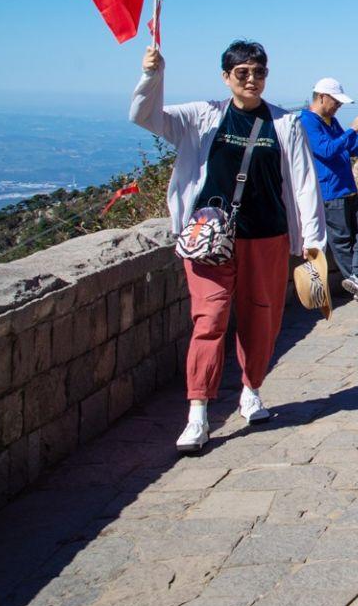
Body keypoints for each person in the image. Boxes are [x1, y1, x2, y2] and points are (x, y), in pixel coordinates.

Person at [131, 41, 327, 454]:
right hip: (209, 238)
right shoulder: (203, 116)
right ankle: (198, 412)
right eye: (242, 73)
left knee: (263, 319)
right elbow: (145, 116)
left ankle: (251, 390)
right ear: (226, 77)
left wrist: (312, 242)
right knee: (210, 318)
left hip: (267, 236)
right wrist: (153, 74)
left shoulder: (284, 124)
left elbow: (304, 183)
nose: (251, 79)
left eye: (258, 72)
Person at [300, 78, 358, 302]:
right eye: (336, 101)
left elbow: (351, 150)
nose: (339, 106)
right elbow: (326, 150)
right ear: (321, 97)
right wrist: (351, 129)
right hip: (330, 191)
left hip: (348, 189)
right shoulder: (307, 121)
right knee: (341, 240)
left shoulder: (331, 121)